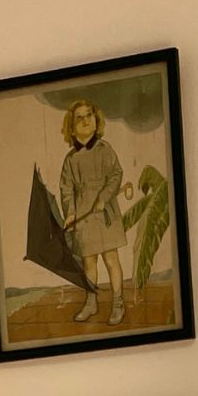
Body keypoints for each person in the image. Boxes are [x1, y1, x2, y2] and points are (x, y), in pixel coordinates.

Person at [55, 100, 128, 327]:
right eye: (80, 117)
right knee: (89, 262)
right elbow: (66, 190)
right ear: (71, 127)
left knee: (111, 258)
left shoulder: (105, 150)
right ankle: (91, 301)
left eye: (89, 115)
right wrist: (70, 213)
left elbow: (116, 175)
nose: (86, 120)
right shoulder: (70, 159)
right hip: (83, 215)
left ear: (97, 121)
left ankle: (117, 302)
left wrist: (104, 198)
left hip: (105, 213)